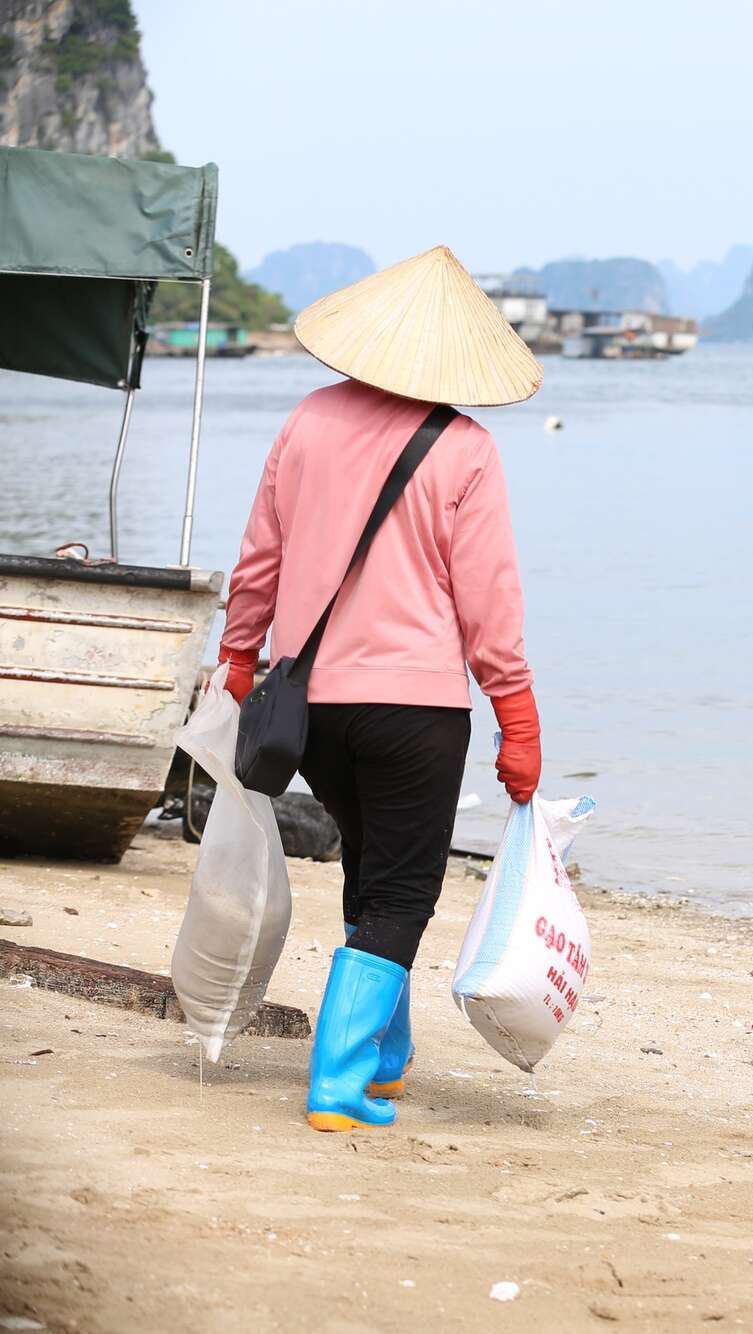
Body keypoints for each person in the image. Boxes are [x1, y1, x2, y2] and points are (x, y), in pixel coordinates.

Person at [214, 246, 546, 1133]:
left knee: (371, 868)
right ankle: (337, 1081)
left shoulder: (309, 421)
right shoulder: (467, 450)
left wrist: (240, 656)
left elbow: (260, 560)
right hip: (416, 712)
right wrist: (517, 715)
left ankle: (385, 1059)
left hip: (311, 708)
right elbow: (490, 603)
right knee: (404, 891)